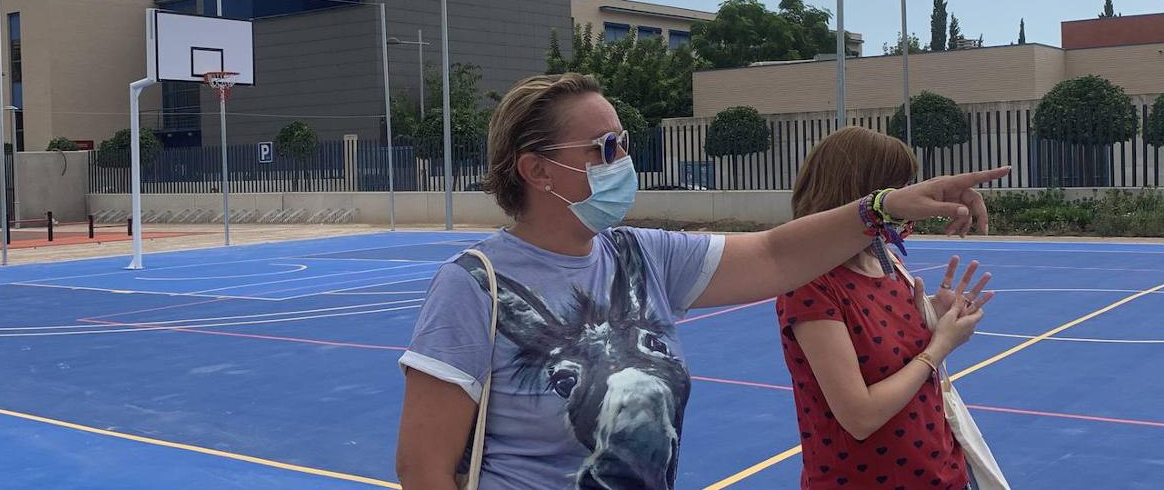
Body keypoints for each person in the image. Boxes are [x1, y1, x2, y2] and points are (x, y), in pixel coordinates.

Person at [396, 73, 1007, 490]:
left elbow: (773, 253)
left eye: (625, 145)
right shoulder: (475, 287)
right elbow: (423, 468)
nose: (622, 163)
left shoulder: (642, 256)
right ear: (536, 169)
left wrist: (886, 205)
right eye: (604, 148)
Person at [776, 126, 993, 490]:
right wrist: (941, 345)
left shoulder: (887, 262)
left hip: (940, 474)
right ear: (862, 194)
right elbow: (860, 415)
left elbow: (900, 363)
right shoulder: (811, 282)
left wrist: (932, 319)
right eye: (901, 191)